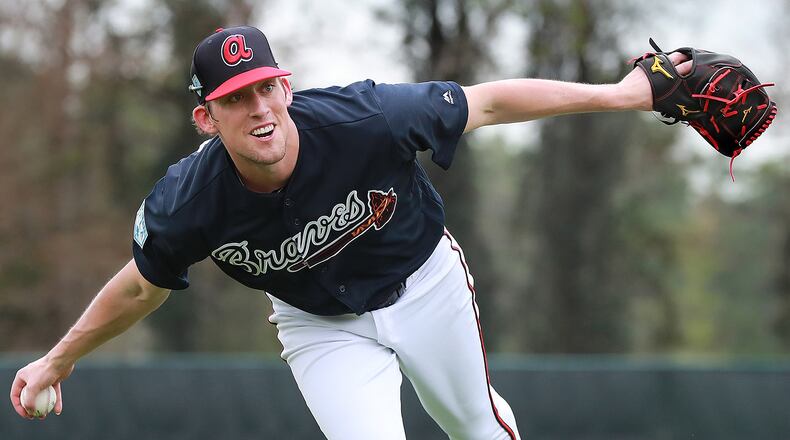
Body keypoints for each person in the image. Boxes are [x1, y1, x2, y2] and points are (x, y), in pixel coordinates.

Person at [10, 25, 690, 439]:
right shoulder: (188, 201)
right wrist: (58, 360)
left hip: (424, 283)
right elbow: (140, 288)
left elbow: (485, 103)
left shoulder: (366, 118)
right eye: (234, 98)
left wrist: (620, 95)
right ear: (206, 120)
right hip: (319, 324)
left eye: (265, 88)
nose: (258, 108)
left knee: (474, 427)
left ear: (286, 88)